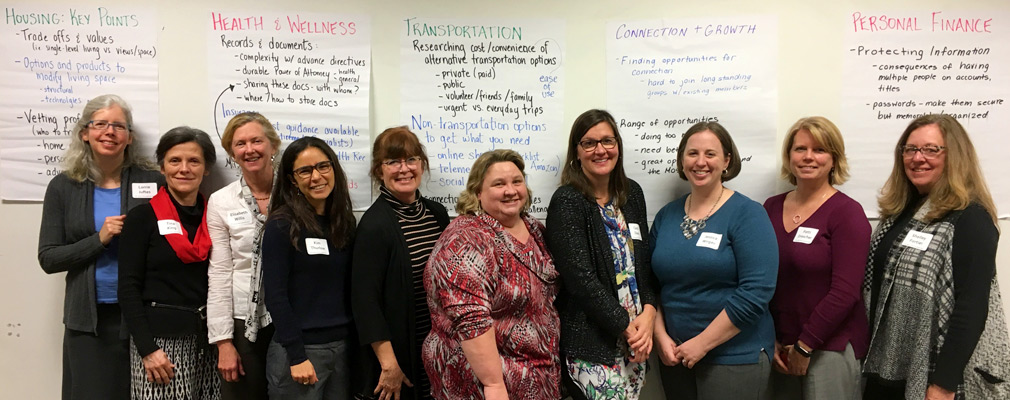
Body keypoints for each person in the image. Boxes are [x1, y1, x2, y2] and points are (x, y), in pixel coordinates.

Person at [862, 114, 1010, 400]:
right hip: (885, 366)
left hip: (933, 374)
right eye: (910, 149)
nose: (918, 158)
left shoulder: (971, 218)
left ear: (955, 156)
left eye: (931, 149)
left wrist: (943, 385)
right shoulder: (896, 215)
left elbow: (972, 308)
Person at [38, 94, 162, 400]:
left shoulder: (154, 182)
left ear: (130, 137)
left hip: (144, 318)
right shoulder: (63, 187)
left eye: (119, 126)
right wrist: (99, 239)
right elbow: (48, 258)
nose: (110, 132)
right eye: (101, 124)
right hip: (88, 321)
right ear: (85, 133)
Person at [651, 122, 778, 400]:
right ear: (682, 160)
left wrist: (701, 344)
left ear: (727, 161)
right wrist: (660, 336)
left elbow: (756, 293)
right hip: (675, 356)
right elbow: (653, 286)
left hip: (734, 357)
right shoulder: (666, 216)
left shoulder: (748, 214)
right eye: (692, 153)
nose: (700, 162)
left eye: (710, 154)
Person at [423, 149, 561, 400]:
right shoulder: (466, 238)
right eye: (499, 184)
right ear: (478, 192)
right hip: (483, 382)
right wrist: (494, 385)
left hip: (537, 375)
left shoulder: (535, 228)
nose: (511, 190)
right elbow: (470, 318)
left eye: (517, 181)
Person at [546, 109, 656, 399]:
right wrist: (628, 329)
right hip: (593, 345)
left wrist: (650, 313)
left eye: (608, 141)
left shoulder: (632, 194)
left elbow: (643, 263)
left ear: (618, 146)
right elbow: (580, 279)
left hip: (636, 339)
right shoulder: (568, 201)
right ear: (576, 152)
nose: (600, 150)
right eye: (589, 143)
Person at [762, 117, 870, 400]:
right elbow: (761, 279)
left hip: (828, 348)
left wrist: (805, 345)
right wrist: (768, 337)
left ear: (834, 159)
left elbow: (846, 293)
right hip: (780, 347)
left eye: (819, 149)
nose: (808, 157)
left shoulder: (847, 213)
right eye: (800, 149)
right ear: (789, 156)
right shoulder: (771, 208)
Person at [119, 127, 220, 399]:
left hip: (209, 341)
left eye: (194, 161)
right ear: (162, 168)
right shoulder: (142, 218)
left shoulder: (216, 217)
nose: (184, 169)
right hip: (159, 344)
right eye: (175, 161)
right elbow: (128, 288)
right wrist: (147, 349)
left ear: (206, 169)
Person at [352, 127, 449, 400]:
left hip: (439, 351)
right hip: (401, 355)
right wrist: (388, 364)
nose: (404, 169)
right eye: (393, 161)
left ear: (422, 164)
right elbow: (365, 302)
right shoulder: (374, 226)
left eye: (411, 159)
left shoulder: (437, 214)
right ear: (378, 171)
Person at [261, 137, 356, 399]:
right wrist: (296, 355)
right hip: (301, 351)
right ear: (293, 179)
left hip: (343, 350)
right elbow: (276, 296)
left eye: (323, 167)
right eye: (305, 170)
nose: (316, 177)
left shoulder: (344, 223)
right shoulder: (282, 225)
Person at [206, 112, 282, 400]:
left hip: (291, 315)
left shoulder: (295, 193)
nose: (249, 149)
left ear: (272, 146)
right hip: (243, 319)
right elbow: (220, 272)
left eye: (256, 141)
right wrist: (224, 342)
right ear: (232, 153)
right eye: (240, 144)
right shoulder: (222, 201)